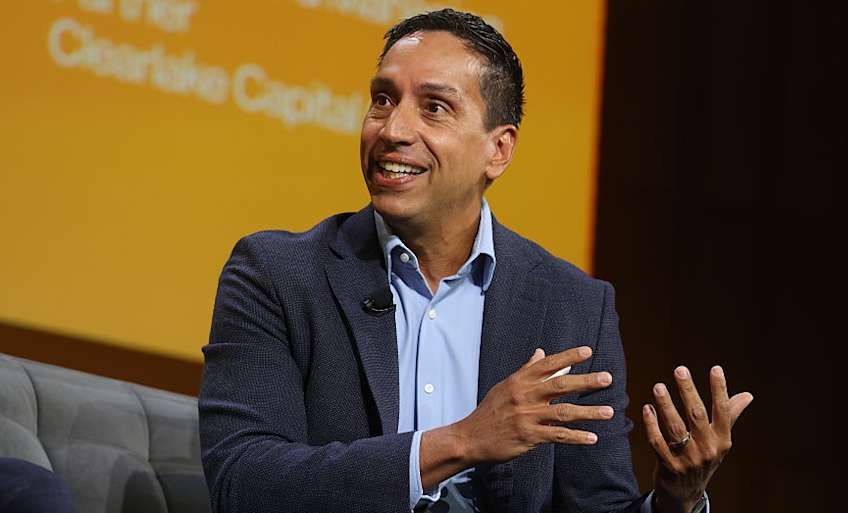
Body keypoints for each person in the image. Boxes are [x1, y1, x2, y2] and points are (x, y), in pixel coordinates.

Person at [199, 8, 752, 513]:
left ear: (498, 149)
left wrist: (676, 500)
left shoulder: (572, 306)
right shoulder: (278, 273)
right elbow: (243, 481)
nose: (392, 130)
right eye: (382, 99)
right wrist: (463, 441)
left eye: (434, 108)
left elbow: (598, 508)